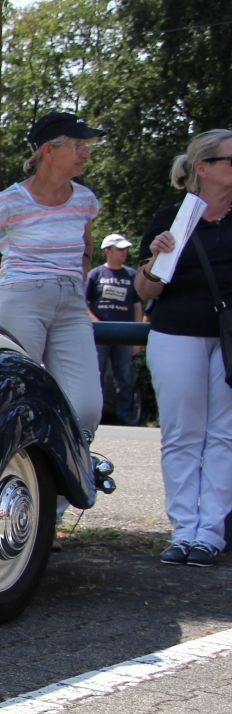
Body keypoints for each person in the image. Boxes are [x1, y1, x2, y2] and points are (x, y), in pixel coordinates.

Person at [0, 113, 106, 446]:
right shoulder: (12, 200)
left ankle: (58, 491)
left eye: (86, 146)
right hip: (21, 299)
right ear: (49, 150)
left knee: (87, 407)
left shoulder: (85, 201)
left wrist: (79, 274)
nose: (86, 153)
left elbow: (86, 243)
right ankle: (8, 482)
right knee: (14, 398)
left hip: (71, 303)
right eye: (77, 145)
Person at [134, 129, 232, 567]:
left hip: (228, 338)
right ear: (203, 167)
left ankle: (210, 534)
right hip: (177, 333)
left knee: (224, 437)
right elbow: (144, 290)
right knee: (181, 435)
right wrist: (156, 258)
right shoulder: (172, 218)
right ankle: (182, 532)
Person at [86, 233, 144, 425]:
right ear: (107, 251)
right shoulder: (95, 274)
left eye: (125, 249)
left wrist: (137, 336)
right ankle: (97, 416)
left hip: (125, 335)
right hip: (100, 335)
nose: (124, 253)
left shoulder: (131, 275)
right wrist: (96, 322)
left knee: (124, 377)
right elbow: (83, 303)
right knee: (97, 375)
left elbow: (137, 306)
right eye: (119, 249)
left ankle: (125, 416)